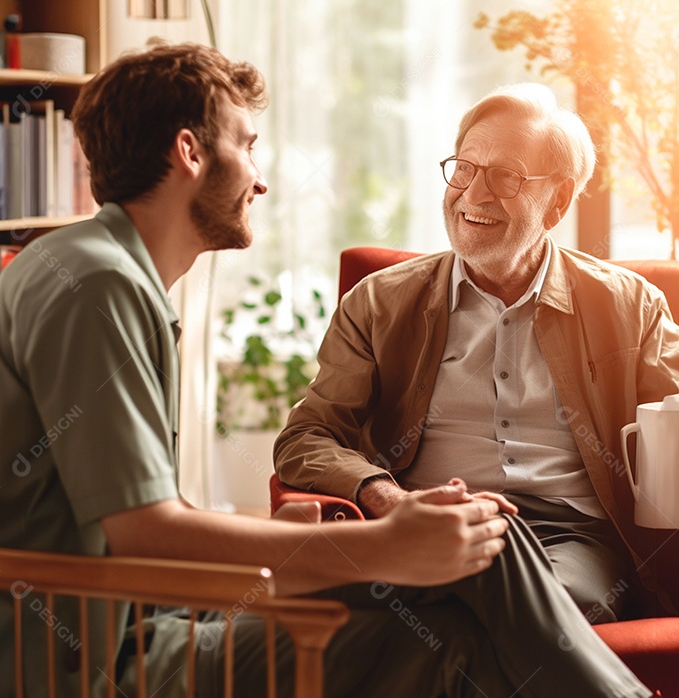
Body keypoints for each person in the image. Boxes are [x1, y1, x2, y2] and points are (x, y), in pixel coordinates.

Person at [0, 48, 649, 697]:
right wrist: (381, 539)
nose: (263, 177)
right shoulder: (99, 285)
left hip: (129, 622)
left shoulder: (100, 270)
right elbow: (148, 534)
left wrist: (368, 546)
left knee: (459, 596)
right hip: (82, 660)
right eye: (247, 145)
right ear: (189, 152)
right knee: (473, 570)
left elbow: (146, 530)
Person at [275, 82, 679, 625]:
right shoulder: (380, 302)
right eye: (465, 168)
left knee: (546, 610)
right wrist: (383, 496)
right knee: (409, 607)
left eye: (506, 177)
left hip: (567, 537)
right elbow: (306, 437)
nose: (473, 195)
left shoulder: (630, 305)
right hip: (430, 526)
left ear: (557, 202)